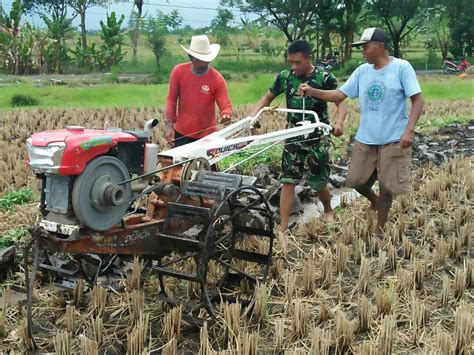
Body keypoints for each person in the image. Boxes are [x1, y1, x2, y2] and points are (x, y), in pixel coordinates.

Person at [298, 27, 424, 238]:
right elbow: (340, 94)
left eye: (366, 47)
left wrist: (409, 130)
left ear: (380, 46)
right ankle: (373, 202)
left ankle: (379, 230)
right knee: (356, 182)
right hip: (367, 138)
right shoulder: (362, 71)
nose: (363, 51)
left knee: (386, 186)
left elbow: (418, 100)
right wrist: (313, 91)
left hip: (393, 138)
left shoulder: (402, 68)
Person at [253, 39, 347, 233]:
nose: (293, 67)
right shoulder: (285, 77)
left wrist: (339, 123)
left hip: (317, 136)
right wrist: (253, 117)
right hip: (294, 134)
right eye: (290, 62)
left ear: (308, 58)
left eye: (298, 62)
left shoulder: (324, 77)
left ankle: (328, 210)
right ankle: (284, 226)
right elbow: (268, 97)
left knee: (318, 180)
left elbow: (340, 102)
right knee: (288, 180)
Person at [165, 35, 232, 147]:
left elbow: (226, 105)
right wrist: (169, 125)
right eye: (201, 60)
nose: (205, 64)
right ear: (191, 57)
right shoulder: (179, 72)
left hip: (207, 137)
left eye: (207, 60)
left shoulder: (217, 79)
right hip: (181, 135)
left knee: (208, 164)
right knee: (180, 164)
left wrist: (226, 115)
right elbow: (171, 100)